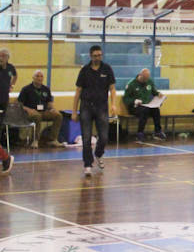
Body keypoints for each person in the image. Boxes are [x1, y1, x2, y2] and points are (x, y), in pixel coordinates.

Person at [72, 45, 117, 177]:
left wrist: (113, 104)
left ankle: (98, 153)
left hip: (102, 107)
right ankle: (87, 164)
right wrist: (74, 111)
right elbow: (78, 91)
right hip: (86, 106)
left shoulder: (107, 69)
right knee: (86, 137)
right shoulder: (84, 70)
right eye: (95, 55)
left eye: (100, 55)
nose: (98, 57)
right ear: (91, 56)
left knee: (104, 137)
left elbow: (112, 88)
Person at [17, 69, 64, 147]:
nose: (39, 78)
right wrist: (29, 110)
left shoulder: (46, 89)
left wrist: (52, 109)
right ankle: (35, 140)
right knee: (37, 116)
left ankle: (52, 139)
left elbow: (49, 103)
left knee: (58, 115)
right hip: (30, 113)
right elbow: (20, 104)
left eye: (41, 76)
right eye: (37, 76)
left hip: (43, 111)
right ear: (33, 77)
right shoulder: (26, 89)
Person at [122, 68, 164, 142]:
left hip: (147, 105)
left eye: (147, 79)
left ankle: (157, 131)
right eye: (144, 79)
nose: (145, 81)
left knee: (156, 110)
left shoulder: (149, 81)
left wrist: (158, 94)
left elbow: (154, 92)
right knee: (144, 111)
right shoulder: (131, 84)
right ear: (140, 75)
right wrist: (134, 101)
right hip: (135, 107)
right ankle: (140, 133)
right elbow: (125, 99)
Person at [0, 48, 17, 171]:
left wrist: (11, 85)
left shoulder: (10, 68)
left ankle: (6, 158)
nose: (1, 58)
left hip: (2, 102)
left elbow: (15, 76)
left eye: (3, 56)